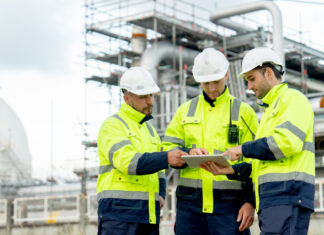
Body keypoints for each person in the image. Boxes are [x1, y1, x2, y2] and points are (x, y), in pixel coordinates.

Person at [201, 47, 315, 235]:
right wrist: (232, 170)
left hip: (287, 196)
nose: (250, 87)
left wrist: (242, 149)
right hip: (275, 199)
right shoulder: (270, 111)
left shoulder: (293, 99)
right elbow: (262, 163)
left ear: (268, 73)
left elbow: (287, 142)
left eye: (252, 79)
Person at [162, 48, 259, 235]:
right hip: (190, 211)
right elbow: (167, 147)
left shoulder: (244, 112)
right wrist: (188, 153)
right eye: (206, 83)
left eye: (216, 81)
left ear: (226, 74)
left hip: (230, 209)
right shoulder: (185, 111)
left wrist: (250, 202)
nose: (212, 88)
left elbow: (257, 162)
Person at [96, 67, 189, 235]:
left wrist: (160, 194)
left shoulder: (150, 131)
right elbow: (129, 163)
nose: (150, 101)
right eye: (143, 97)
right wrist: (167, 157)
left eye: (151, 95)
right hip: (119, 216)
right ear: (126, 98)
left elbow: (159, 171)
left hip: (148, 215)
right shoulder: (112, 126)